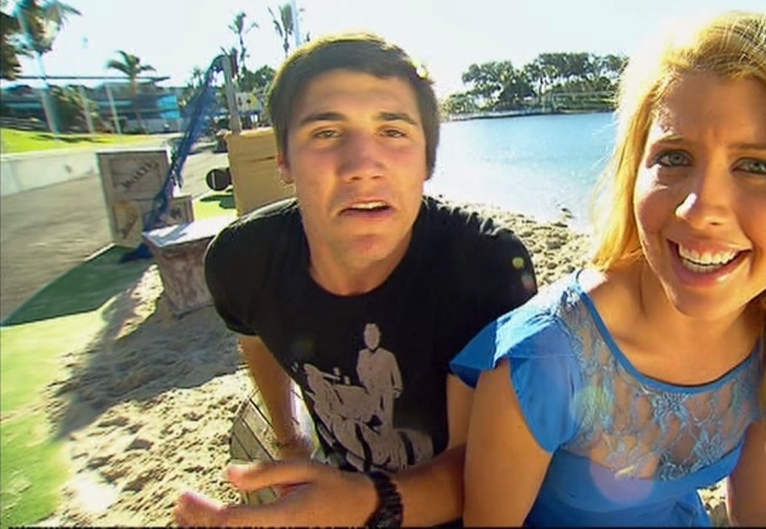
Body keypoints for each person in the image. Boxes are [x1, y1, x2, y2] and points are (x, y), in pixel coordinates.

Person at [450, 11, 766, 526]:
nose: (698, 210)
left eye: (759, 166)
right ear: (634, 172)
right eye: (674, 157)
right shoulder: (546, 361)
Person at [174, 32, 537, 527]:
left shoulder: (482, 266)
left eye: (393, 132)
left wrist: (358, 503)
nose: (363, 167)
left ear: (428, 161)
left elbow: (481, 471)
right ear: (283, 160)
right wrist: (290, 440)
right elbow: (254, 336)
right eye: (326, 133)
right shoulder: (243, 261)